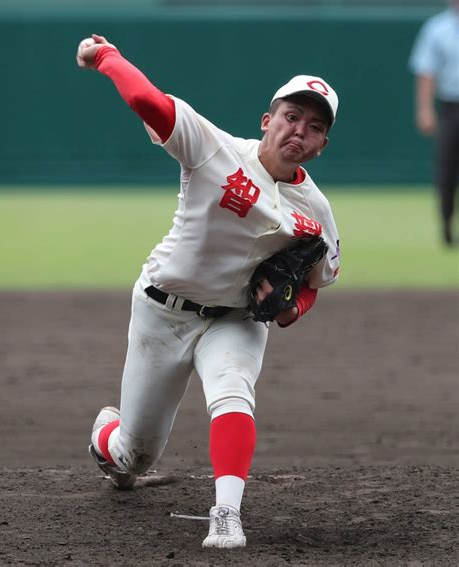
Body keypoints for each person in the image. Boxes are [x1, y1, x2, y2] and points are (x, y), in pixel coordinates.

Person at [77, 33, 340, 549]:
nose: (299, 131)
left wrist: (293, 310)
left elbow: (318, 282)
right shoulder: (213, 148)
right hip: (162, 310)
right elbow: (146, 101)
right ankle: (107, 437)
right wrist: (106, 57)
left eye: (314, 127)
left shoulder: (316, 213)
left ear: (321, 145)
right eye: (291, 116)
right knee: (135, 453)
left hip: (234, 320)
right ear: (268, 120)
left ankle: (226, 515)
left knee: (232, 390)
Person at [408, 0, 459, 246]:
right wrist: (425, 110)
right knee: (447, 170)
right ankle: (447, 224)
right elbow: (426, 71)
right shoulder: (437, 28)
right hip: (452, 106)